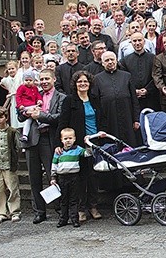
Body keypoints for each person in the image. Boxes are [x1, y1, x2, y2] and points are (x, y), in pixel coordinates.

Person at [19, 69, 66, 224]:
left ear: (54, 79)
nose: (44, 81)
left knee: (53, 176)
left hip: (49, 139)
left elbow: (60, 117)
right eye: (42, 79)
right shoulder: (33, 94)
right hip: (32, 140)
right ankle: (39, 211)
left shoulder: (61, 97)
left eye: (47, 78)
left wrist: (41, 116)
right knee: (34, 178)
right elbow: (20, 117)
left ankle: (60, 209)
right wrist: (24, 112)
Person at [57, 70, 102, 222]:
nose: (83, 84)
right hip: (78, 144)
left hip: (94, 143)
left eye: (85, 82)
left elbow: (101, 119)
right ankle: (81, 209)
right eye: (79, 82)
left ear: (90, 84)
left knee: (94, 176)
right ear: (75, 84)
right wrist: (60, 144)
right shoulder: (70, 100)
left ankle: (93, 206)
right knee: (81, 177)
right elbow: (63, 122)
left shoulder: (95, 99)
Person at [94, 51, 140, 147]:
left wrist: (136, 119)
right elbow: (96, 103)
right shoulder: (97, 79)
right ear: (102, 63)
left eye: (112, 59)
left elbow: (134, 100)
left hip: (127, 118)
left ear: (116, 60)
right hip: (109, 119)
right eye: (107, 60)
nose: (110, 62)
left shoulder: (126, 76)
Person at [50, 128, 91, 228]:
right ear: (61, 140)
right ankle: (63, 219)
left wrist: (88, 143)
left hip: (74, 177)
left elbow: (88, 153)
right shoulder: (58, 152)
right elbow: (54, 164)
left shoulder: (78, 149)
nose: (68, 140)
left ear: (74, 139)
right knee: (63, 200)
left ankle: (74, 219)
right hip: (62, 177)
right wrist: (53, 177)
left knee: (74, 199)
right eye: (65, 138)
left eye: (70, 138)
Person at [0, 107, 21, 224]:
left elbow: (17, 146)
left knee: (13, 189)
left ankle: (15, 211)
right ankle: (1, 212)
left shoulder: (12, 131)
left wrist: (15, 160)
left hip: (9, 165)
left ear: (6, 118)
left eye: (1, 117)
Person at [120, 32, 159, 111]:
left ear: (144, 41)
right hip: (133, 99)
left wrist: (147, 90)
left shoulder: (154, 58)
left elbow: (156, 76)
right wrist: (135, 91)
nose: (137, 43)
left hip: (151, 97)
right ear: (131, 42)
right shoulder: (124, 61)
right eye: (134, 41)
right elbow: (125, 79)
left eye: (139, 40)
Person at [16, 70, 43, 142]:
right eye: (26, 80)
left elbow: (38, 96)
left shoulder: (35, 88)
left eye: (30, 80)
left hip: (33, 105)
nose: (28, 82)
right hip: (26, 106)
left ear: (33, 80)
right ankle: (41, 123)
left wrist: (39, 100)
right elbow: (18, 96)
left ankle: (25, 135)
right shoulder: (22, 87)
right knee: (36, 110)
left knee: (29, 120)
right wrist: (20, 105)